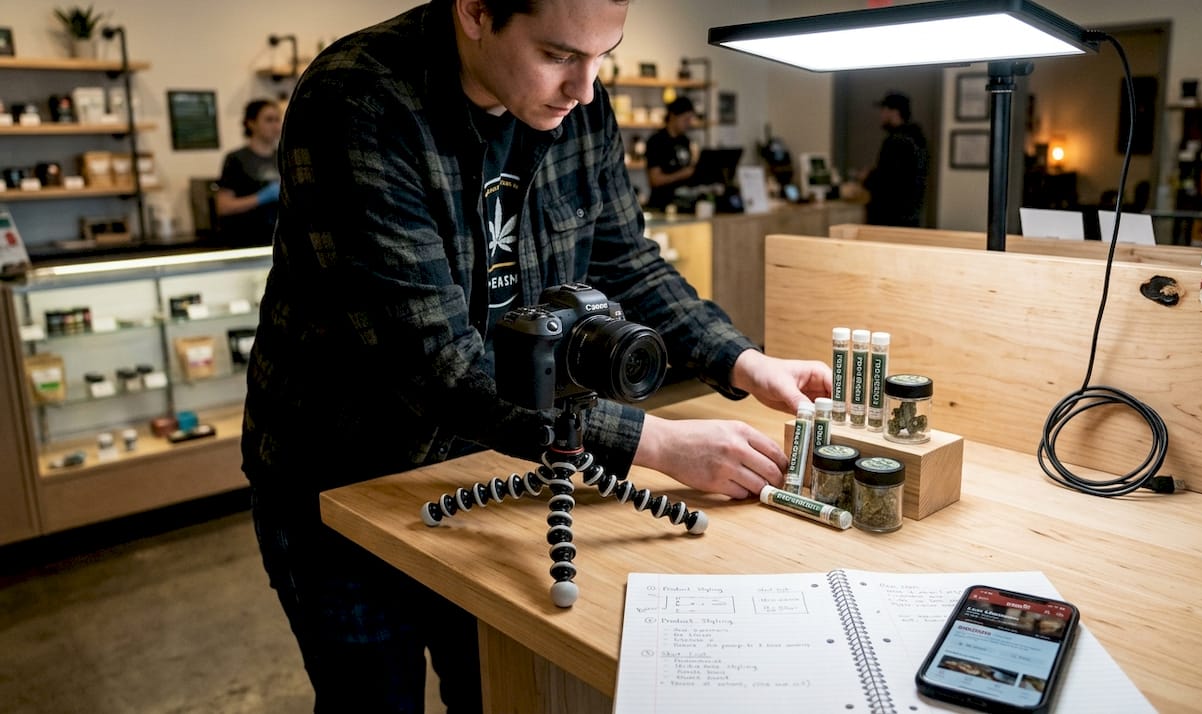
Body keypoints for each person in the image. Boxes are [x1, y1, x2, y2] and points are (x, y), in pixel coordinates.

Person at [240, 1, 830, 711]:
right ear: (476, 11)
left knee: (496, 690)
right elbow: (435, 365)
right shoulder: (357, 99)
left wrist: (739, 359)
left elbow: (625, 260)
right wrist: (658, 442)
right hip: (345, 473)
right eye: (558, 55)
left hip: (492, 462)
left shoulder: (578, 101)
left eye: (603, 55)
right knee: (373, 701)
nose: (585, 88)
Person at [214, 99, 282, 246]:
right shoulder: (237, 159)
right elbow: (223, 206)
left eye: (278, 119)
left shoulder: (283, 157)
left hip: (277, 242)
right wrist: (260, 198)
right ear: (251, 123)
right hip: (246, 240)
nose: (276, 125)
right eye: (269, 120)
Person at [861, 92, 929, 227]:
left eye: (883, 110)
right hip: (910, 215)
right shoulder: (918, 138)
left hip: (890, 216)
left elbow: (887, 179)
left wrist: (868, 177)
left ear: (893, 112)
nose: (881, 115)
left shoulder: (896, 141)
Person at [644, 95, 698, 211]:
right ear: (673, 116)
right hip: (661, 205)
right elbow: (654, 180)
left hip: (683, 203)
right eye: (685, 119)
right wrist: (682, 174)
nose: (689, 123)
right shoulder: (656, 141)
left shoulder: (685, 140)